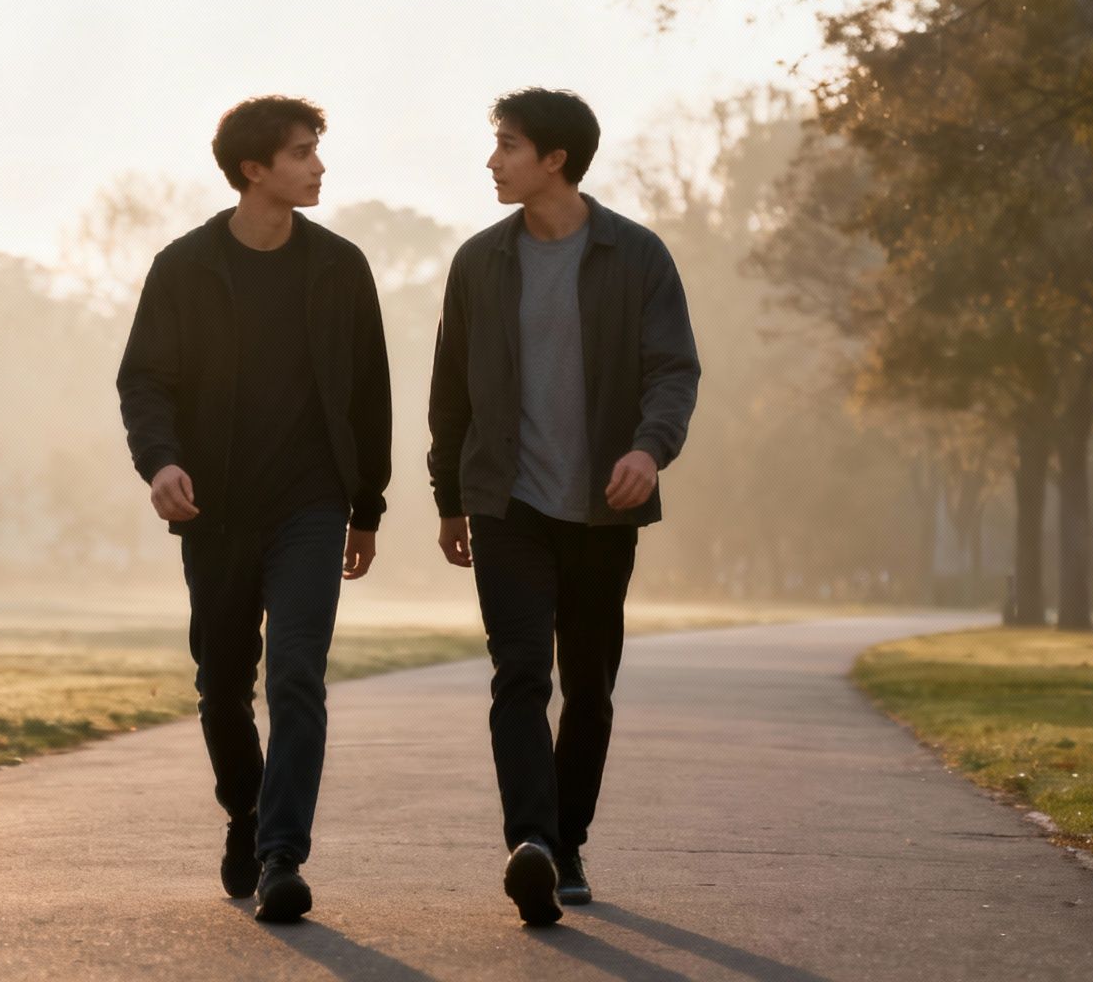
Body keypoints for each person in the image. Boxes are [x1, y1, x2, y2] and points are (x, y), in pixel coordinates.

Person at [427, 87, 700, 926]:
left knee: (589, 686)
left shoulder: (636, 255)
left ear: (555, 159)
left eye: (507, 145)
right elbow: (451, 390)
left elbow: (673, 371)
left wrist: (648, 451)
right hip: (507, 502)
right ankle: (534, 845)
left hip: (602, 505)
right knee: (518, 673)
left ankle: (569, 840)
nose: (492, 160)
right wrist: (450, 498)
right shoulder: (480, 260)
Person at [117, 95, 391, 923]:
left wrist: (366, 507)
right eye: (304, 152)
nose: (318, 165)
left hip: (311, 506)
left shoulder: (340, 268)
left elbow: (370, 393)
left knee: (298, 676)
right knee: (222, 685)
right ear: (253, 170)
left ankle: (281, 855)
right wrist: (160, 464)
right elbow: (145, 381)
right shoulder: (185, 268)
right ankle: (245, 812)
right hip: (218, 511)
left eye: (317, 150)